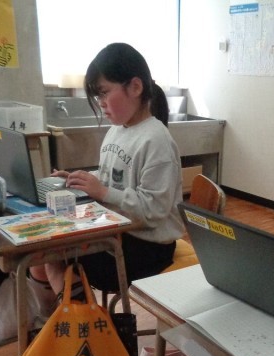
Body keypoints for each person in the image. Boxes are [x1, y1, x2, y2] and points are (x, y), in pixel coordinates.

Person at [30, 42, 184, 298]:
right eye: (97, 96)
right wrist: (83, 179)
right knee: (41, 254)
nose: (100, 103)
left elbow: (154, 210)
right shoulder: (117, 131)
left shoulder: (156, 140)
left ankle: (84, 320)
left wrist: (101, 191)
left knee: (50, 256)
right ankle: (64, 318)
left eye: (104, 93)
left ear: (135, 87)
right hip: (120, 232)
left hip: (148, 248)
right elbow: (113, 178)